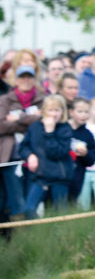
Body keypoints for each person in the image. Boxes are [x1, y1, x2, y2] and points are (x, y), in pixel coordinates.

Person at [0, 65, 44, 224]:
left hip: (36, 154)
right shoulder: (5, 99)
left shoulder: (42, 98)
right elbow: (1, 125)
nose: (26, 80)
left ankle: (32, 236)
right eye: (22, 77)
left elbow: (43, 123)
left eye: (29, 77)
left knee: (31, 198)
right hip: (12, 155)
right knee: (15, 199)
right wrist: (30, 119)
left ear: (34, 79)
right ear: (16, 80)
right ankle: (16, 237)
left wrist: (18, 117)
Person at [19, 94, 74, 217]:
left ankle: (59, 236)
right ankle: (37, 233)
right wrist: (29, 156)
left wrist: (50, 132)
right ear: (44, 111)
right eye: (50, 110)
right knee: (29, 209)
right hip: (40, 176)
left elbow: (58, 153)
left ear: (62, 112)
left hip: (59, 177)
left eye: (57, 110)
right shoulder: (35, 127)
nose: (53, 114)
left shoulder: (65, 128)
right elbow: (23, 147)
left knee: (59, 214)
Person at [66, 97, 95, 202]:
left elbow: (92, 160)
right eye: (80, 111)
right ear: (71, 112)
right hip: (59, 174)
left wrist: (86, 154)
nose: (83, 115)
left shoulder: (88, 135)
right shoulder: (62, 129)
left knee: (71, 202)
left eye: (86, 112)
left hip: (77, 176)